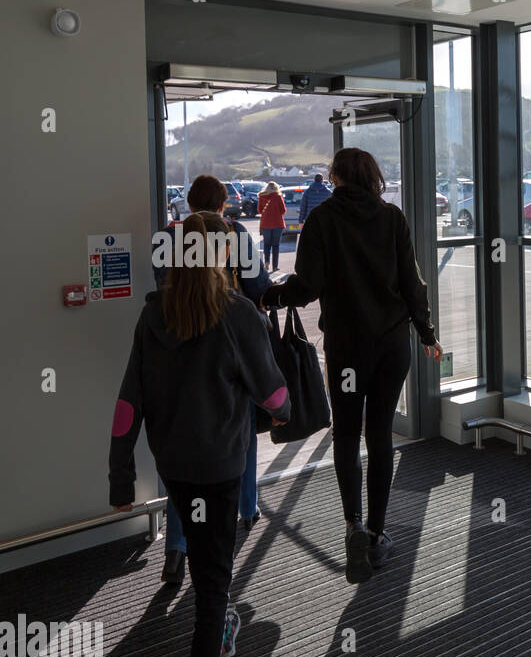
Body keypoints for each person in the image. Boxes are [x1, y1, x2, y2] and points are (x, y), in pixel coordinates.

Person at [109, 212, 290, 657]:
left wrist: (119, 480)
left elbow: (126, 405)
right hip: (220, 469)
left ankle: (226, 620)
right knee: (211, 588)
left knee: (208, 568)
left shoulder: (152, 313)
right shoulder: (235, 314)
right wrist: (278, 402)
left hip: (177, 471)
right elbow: (277, 396)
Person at [263, 148, 441, 584]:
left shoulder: (322, 220)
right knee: (379, 434)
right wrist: (427, 334)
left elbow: (307, 287)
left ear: (336, 178)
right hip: (391, 347)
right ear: (372, 176)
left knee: (346, 433)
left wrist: (270, 297)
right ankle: (378, 533)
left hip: (347, 351)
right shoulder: (391, 218)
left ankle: (353, 528)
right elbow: (411, 284)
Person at [156, 176, 273, 586]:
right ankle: (246, 507)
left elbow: (161, 291)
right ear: (225, 204)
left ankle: (176, 548)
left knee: (184, 449)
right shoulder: (235, 234)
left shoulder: (168, 236)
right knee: (239, 430)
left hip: (177, 352)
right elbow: (258, 286)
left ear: (188, 203)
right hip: (228, 352)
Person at [257, 181, 286, 270]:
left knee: (266, 245)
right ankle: (275, 266)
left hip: (266, 224)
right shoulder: (278, 197)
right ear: (276, 188)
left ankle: (266, 262)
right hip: (277, 224)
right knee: (275, 246)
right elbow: (283, 211)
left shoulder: (262, 197)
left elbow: (259, 211)